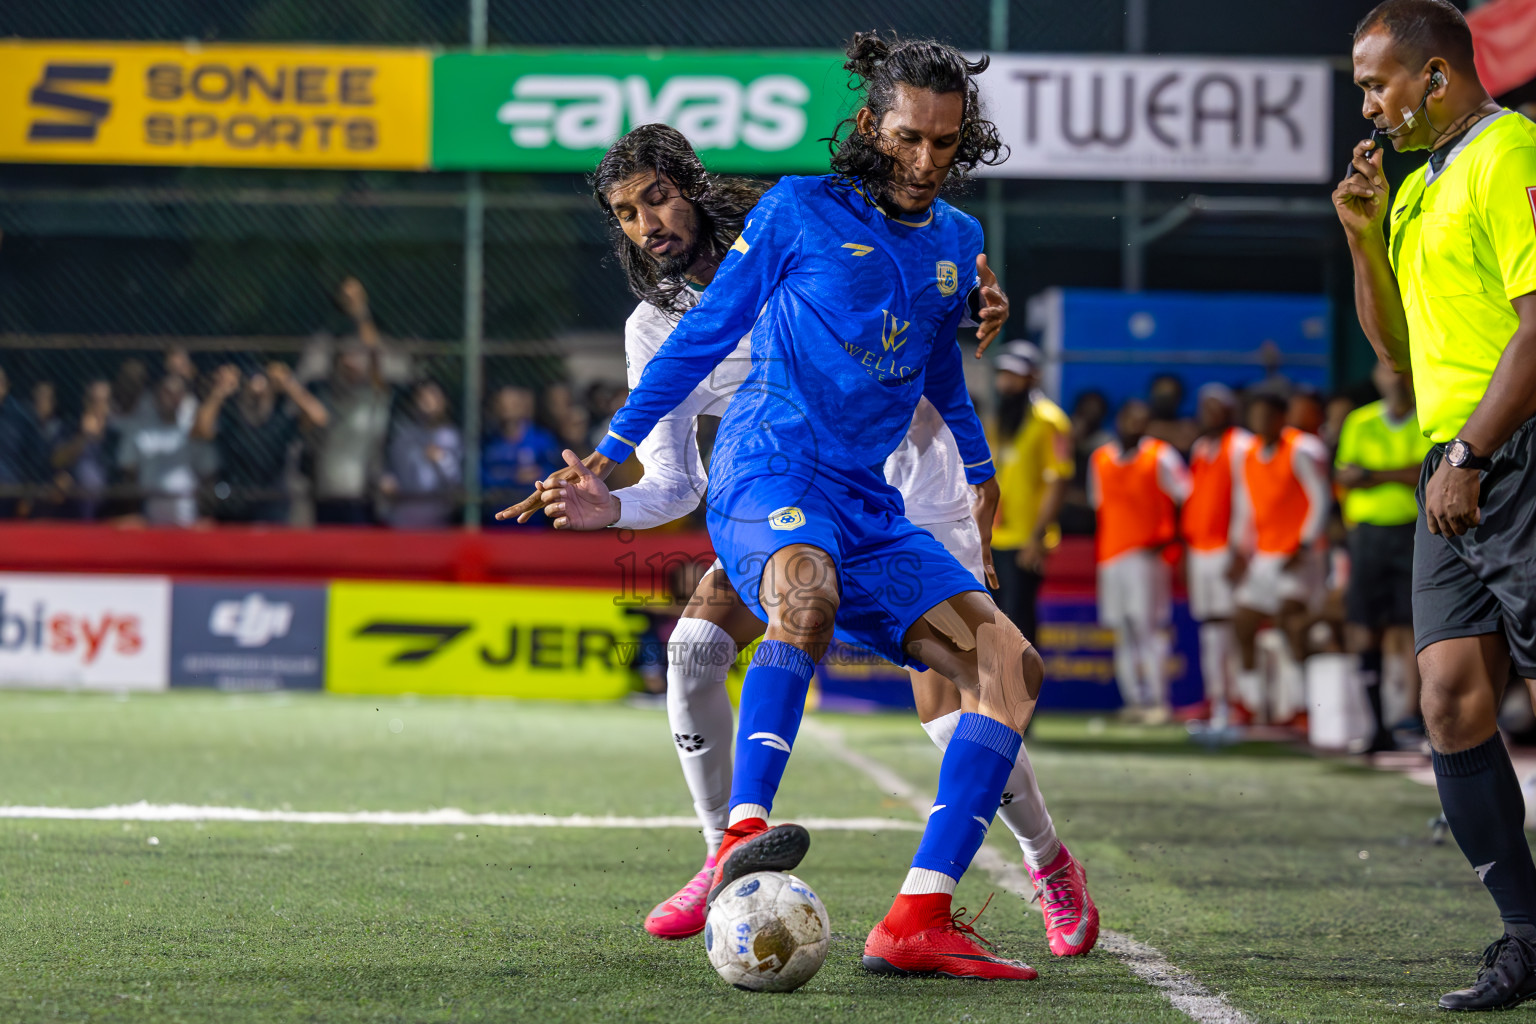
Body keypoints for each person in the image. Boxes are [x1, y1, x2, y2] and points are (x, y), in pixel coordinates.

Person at [508, 36, 1057, 979]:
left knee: (1005, 669)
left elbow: (935, 357)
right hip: (766, 480)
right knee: (743, 623)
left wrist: (976, 434)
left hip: (878, 487)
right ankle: (730, 841)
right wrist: (609, 476)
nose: (925, 160)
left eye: (942, 142)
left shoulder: (888, 225)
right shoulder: (691, 296)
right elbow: (677, 462)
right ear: (874, 132)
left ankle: (959, 900)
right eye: (627, 214)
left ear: (691, 184)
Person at [1335, 0, 1536, 1007]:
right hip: (1449, 462)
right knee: (1450, 699)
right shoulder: (1415, 183)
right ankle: (1527, 934)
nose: (1370, 106)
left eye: (1379, 84)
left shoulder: (1510, 152)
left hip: (1513, 451)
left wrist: (1474, 448)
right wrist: (1364, 236)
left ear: (1438, 78)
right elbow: (1396, 353)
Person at [1335, 363, 1432, 752]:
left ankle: (1421, 723)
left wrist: (1372, 474)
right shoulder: (1360, 421)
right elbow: (1345, 474)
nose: (1392, 375)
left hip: (1414, 533)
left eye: (1400, 368)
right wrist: (1395, 474)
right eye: (1385, 368)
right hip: (1369, 537)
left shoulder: (1427, 416)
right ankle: (1377, 727)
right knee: (1365, 625)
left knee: (1418, 629)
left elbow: (1425, 472)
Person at [1228, 390, 1331, 727]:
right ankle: (1251, 702)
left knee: (1292, 624)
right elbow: (1245, 506)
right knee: (1242, 622)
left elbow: (1320, 498)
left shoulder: (1303, 449)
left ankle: (1302, 708)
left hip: (1299, 555)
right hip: (1265, 555)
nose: (1261, 421)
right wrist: (1238, 550)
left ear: (1281, 417)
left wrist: (1304, 545)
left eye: (1268, 414)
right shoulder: (1248, 454)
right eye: (1255, 414)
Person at [1089, 399, 1191, 724]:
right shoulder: (1100, 457)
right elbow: (1098, 504)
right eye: (1131, 418)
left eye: (1142, 419)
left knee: (1149, 628)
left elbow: (1187, 496)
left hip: (1147, 555)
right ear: (1119, 419)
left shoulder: (1161, 455)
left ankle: (1159, 702)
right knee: (1122, 631)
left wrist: (1169, 538)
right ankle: (1134, 700)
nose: (1136, 425)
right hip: (1110, 555)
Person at [989, 341, 1072, 647]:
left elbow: (1058, 481)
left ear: (1033, 377)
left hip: (1025, 538)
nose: (1007, 382)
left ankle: (1022, 692)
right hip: (995, 535)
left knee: (1018, 620)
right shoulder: (1000, 420)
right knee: (992, 620)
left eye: (1016, 375)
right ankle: (996, 692)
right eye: (1004, 374)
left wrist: (1037, 537)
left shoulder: (1050, 421)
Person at [1180, 383, 1253, 725]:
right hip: (1201, 548)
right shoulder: (1201, 447)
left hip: (1227, 546)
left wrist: (1241, 547)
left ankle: (1239, 698)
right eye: (1203, 406)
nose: (1207, 413)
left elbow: (1246, 499)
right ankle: (1216, 696)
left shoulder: (1240, 444)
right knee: (1210, 624)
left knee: (1231, 622)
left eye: (1215, 407)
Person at [195, 362, 329, 524]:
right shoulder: (232, 419)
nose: (257, 395)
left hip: (272, 501)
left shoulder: (281, 420)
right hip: (234, 500)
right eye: (251, 393)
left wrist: (289, 384)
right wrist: (220, 391)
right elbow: (201, 430)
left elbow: (319, 418)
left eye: (264, 392)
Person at [311, 336, 392, 525]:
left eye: (357, 357)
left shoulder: (373, 399)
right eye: (345, 358)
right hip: (326, 492)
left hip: (358, 494)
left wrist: (361, 316)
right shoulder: (327, 397)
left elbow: (378, 370)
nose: (350, 363)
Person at [116, 374, 214, 526]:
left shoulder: (192, 432)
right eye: (168, 392)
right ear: (157, 395)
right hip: (150, 513)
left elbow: (207, 472)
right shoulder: (140, 431)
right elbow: (129, 473)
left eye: (178, 393)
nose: (173, 398)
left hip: (187, 514)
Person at [380, 380, 463, 529]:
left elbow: (457, 480)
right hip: (403, 517)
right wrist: (388, 480)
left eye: (433, 397)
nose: (427, 402)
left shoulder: (451, 437)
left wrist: (441, 459)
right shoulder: (404, 436)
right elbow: (391, 469)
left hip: (437, 518)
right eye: (422, 397)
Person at [482, 386, 561, 527]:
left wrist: (540, 476)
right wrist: (511, 476)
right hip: (497, 518)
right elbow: (481, 477)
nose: (509, 408)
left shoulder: (542, 439)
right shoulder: (489, 443)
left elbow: (558, 472)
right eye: (503, 403)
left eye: (514, 403)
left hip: (535, 519)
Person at [50, 379, 117, 521]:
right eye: (94, 400)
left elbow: (120, 473)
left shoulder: (114, 434)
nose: (98, 406)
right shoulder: (70, 427)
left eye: (103, 401)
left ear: (110, 404)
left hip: (108, 503)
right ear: (85, 401)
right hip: (73, 500)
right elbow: (57, 460)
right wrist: (83, 436)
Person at [0, 365, 47, 517]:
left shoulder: (21, 417)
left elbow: (34, 458)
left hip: (10, 494)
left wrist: (28, 497)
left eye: (0, 382)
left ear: (7, 386)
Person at [1146, 373, 1199, 453]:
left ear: (1179, 397)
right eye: (1161, 396)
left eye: (1169, 396)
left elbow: (1184, 443)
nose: (1165, 401)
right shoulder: (1142, 423)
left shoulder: (1188, 426)